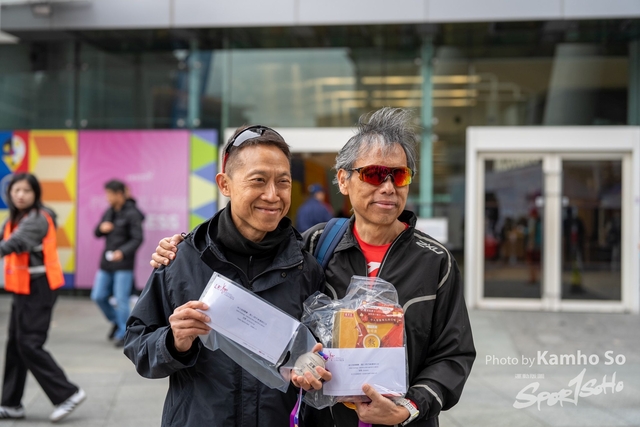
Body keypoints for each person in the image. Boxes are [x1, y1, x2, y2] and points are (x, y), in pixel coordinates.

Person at [152, 108, 476, 427]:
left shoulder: (435, 261)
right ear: (343, 180)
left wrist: (408, 408)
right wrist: (183, 246)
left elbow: (453, 354)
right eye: (375, 174)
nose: (388, 187)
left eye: (400, 175)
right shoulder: (314, 246)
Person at [124, 125, 330, 427]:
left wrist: (313, 366)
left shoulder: (306, 267)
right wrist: (174, 341)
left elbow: (322, 352)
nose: (272, 195)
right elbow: (137, 343)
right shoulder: (181, 259)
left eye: (283, 182)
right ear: (225, 184)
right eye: (258, 180)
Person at [0, 173, 86, 422]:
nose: (20, 195)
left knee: (29, 343)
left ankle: (68, 393)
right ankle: (11, 403)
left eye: (26, 190)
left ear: (35, 194)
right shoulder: (15, 218)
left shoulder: (38, 218)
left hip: (40, 287)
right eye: (16, 190)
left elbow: (12, 244)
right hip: (22, 287)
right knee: (15, 343)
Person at [91, 179, 144, 348]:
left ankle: (125, 333)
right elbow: (97, 233)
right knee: (98, 296)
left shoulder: (132, 213)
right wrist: (101, 228)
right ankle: (117, 321)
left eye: (110, 194)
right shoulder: (109, 212)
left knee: (121, 299)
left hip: (123, 264)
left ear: (120, 194)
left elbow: (138, 238)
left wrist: (122, 252)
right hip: (106, 263)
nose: (107, 197)